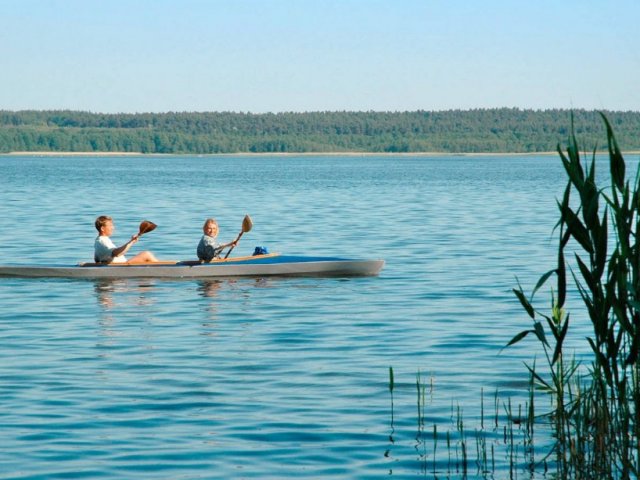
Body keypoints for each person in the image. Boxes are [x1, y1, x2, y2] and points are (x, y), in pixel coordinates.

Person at [94, 215, 158, 264]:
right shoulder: (103, 241)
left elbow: (96, 259)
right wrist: (131, 242)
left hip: (120, 266)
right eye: (110, 225)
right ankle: (162, 270)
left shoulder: (98, 241)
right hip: (121, 267)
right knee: (146, 254)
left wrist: (132, 241)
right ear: (102, 228)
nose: (113, 228)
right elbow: (117, 254)